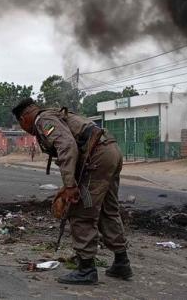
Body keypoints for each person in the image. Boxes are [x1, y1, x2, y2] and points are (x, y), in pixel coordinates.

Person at [12, 98, 132, 285]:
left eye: (21, 124)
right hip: (110, 150)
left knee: (81, 211)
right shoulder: (54, 114)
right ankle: (121, 262)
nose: (24, 128)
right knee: (108, 210)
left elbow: (67, 146)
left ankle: (86, 270)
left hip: (97, 155)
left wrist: (70, 186)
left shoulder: (43, 120)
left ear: (23, 119)